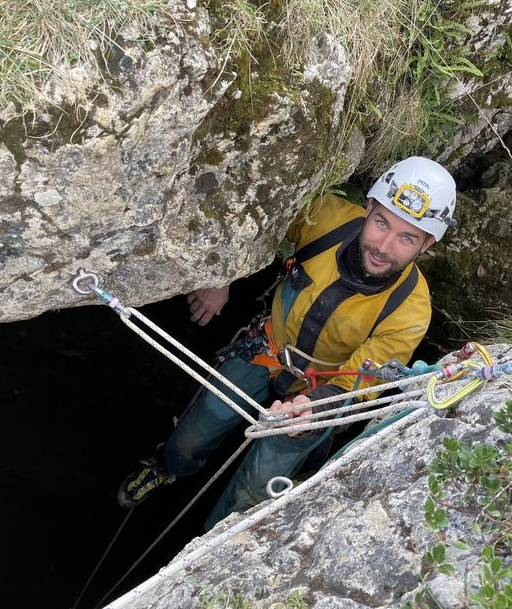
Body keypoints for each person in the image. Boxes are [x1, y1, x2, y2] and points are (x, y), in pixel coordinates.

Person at [117, 156, 458, 530]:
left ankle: (212, 545)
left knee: (257, 488)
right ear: (369, 207)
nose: (384, 246)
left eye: (406, 237)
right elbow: (259, 222)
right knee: (198, 427)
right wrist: (225, 275)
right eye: (381, 223)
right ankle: (168, 467)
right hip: (265, 351)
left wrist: (311, 407)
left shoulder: (410, 310)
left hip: (318, 397)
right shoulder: (325, 217)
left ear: (426, 245)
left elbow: (362, 382)